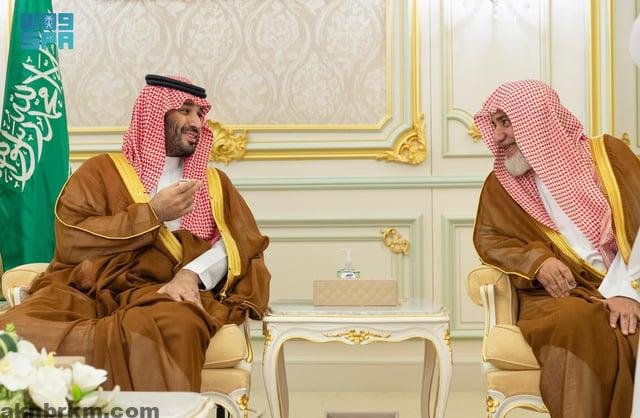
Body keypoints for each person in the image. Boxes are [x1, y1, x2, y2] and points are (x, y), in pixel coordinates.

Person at [0, 74, 271, 391]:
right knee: (13, 332)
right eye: (185, 110)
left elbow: (237, 246)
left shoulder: (214, 183)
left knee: (177, 324)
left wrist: (191, 275)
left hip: (162, 292)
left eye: (200, 113)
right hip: (88, 290)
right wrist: (153, 214)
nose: (196, 122)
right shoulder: (101, 171)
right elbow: (73, 238)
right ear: (155, 113)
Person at [473, 79, 639, 417]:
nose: (498, 136)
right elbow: (490, 238)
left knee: (619, 326)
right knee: (577, 321)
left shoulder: (608, 157)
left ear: (535, 119)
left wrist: (628, 290)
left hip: (627, 280)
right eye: (494, 125)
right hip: (558, 294)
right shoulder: (501, 185)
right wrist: (538, 261)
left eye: (505, 122)